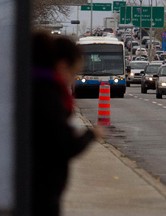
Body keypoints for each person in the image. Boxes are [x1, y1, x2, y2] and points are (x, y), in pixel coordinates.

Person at [31, 31, 103, 216]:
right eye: (73, 72)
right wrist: (91, 134)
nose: (72, 79)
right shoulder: (48, 95)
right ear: (62, 66)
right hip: (40, 193)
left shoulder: (33, 88)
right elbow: (64, 145)